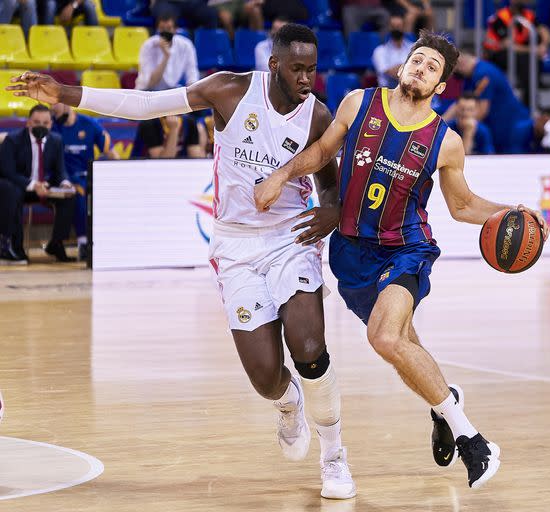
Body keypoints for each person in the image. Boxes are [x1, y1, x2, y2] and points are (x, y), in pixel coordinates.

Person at [7, 23, 356, 499]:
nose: (306, 79)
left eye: (312, 70)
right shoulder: (229, 91)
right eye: (297, 69)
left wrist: (333, 210)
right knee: (265, 377)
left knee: (309, 343)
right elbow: (146, 106)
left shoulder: (316, 114)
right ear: (273, 65)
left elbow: (329, 179)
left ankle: (334, 456)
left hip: (289, 238)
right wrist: (65, 91)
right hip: (235, 245)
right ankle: (288, 402)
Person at [252, 31, 550, 489]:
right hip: (351, 256)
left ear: (441, 86)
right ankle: (444, 403)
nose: (421, 68)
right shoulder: (358, 103)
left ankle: (474, 441)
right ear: (402, 65)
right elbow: (322, 152)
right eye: (418, 60)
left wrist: (513, 210)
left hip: (406, 249)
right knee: (405, 344)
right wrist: (281, 175)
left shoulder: (445, 141)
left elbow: (463, 205)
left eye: (432, 67)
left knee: (385, 338)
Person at [0, 105, 75, 264]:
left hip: (44, 187)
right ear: (28, 123)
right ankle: (13, 246)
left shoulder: (56, 140)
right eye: (36, 122)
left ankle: (56, 243)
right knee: (11, 191)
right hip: (20, 186)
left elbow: (60, 169)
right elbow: (8, 172)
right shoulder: (13, 140)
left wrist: (65, 183)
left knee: (69, 197)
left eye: (45, 122)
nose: (41, 126)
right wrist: (33, 185)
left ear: (51, 124)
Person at [51, 103, 117, 261]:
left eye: (56, 107)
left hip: (89, 175)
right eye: (51, 108)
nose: (54, 111)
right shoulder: (52, 126)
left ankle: (110, 241)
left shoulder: (90, 124)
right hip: (65, 177)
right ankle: (83, 243)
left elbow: (111, 152)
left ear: (68, 104)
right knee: (81, 195)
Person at [450, 52, 530, 154]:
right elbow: (461, 102)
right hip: (499, 124)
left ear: (461, 64)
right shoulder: (472, 75)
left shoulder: (483, 74)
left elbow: (482, 110)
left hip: (510, 126)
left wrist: (463, 126)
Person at [482, 0, 550, 107]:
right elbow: (506, 45)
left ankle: (531, 97)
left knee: (534, 60)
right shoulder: (501, 17)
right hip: (496, 54)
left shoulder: (528, 14)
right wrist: (534, 50)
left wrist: (543, 45)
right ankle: (529, 101)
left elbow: (543, 30)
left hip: (519, 53)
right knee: (526, 60)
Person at [135, 13, 200, 91]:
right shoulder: (148, 46)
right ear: (158, 30)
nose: (165, 32)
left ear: (175, 30)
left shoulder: (186, 45)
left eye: (169, 28)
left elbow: (192, 74)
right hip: (147, 91)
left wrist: (192, 93)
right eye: (162, 28)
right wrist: (166, 56)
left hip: (171, 90)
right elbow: (151, 83)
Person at [133, 114, 205, 158]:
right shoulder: (149, 124)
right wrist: (174, 130)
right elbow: (162, 162)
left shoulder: (189, 121)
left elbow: (196, 157)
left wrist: (202, 136)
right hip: (143, 168)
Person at [372, 15, 414, 88]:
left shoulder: (413, 48)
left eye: (398, 26)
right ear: (389, 28)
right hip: (387, 91)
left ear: (404, 28)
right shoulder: (380, 51)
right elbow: (390, 73)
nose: (396, 29)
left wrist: (397, 68)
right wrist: (408, 69)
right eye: (393, 26)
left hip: (410, 91)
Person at [149, 0, 217, 30]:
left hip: (194, 3)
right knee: (165, 20)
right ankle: (167, 54)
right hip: (167, 2)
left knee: (210, 15)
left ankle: (208, 54)